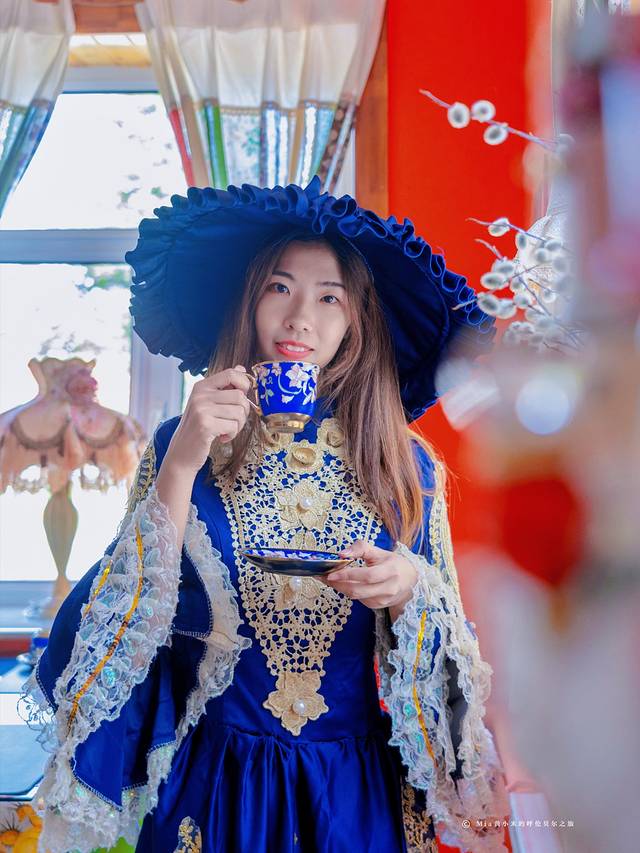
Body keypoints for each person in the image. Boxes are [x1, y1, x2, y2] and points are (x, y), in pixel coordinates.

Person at [21, 177, 508, 853]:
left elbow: (452, 647)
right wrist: (182, 462)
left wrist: (408, 590)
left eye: (329, 297)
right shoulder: (180, 441)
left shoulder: (404, 461)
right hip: (213, 786)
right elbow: (120, 615)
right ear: (249, 302)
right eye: (280, 287)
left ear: (357, 321)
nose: (300, 317)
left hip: (352, 793)